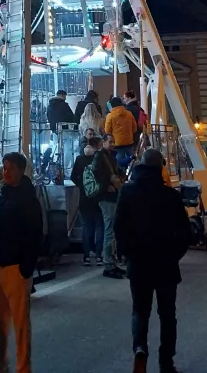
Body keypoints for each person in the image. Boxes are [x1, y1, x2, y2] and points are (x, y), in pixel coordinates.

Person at [114, 148, 191, 373]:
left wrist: (128, 253)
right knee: (167, 315)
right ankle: (166, 362)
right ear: (161, 166)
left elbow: (119, 226)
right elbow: (184, 231)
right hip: (166, 264)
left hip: (138, 263)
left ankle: (140, 348)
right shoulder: (170, 196)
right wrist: (175, 254)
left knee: (140, 311)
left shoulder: (127, 192)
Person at [0, 151, 43, 373]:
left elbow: (35, 235)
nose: (6, 172)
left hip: (16, 268)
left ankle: (23, 367)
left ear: (20, 170)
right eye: (4, 168)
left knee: (20, 322)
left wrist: (26, 267)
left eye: (10, 169)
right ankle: (2, 364)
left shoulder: (28, 200)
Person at [93, 133, 125, 278]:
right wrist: (106, 186)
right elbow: (96, 172)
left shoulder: (110, 156)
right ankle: (108, 264)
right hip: (106, 197)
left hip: (112, 196)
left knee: (112, 230)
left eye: (113, 141)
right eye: (110, 141)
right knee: (109, 229)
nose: (112, 144)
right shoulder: (100, 156)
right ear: (103, 142)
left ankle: (112, 262)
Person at [71, 136, 104, 266]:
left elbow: (73, 177)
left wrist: (83, 186)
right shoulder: (100, 158)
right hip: (99, 197)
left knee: (86, 226)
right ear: (97, 146)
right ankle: (99, 255)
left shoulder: (80, 159)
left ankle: (86, 256)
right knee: (100, 226)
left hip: (84, 198)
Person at [105, 95, 137, 168]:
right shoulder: (129, 114)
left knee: (118, 164)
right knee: (132, 162)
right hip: (129, 142)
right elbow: (135, 128)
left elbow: (107, 131)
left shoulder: (110, 116)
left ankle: (121, 174)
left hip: (117, 144)